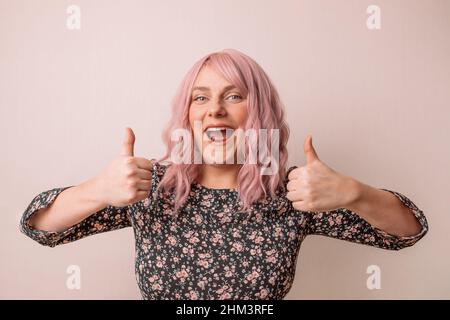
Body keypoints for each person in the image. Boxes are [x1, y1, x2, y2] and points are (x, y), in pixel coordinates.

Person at [20, 49, 428, 300]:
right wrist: (98, 189)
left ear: (260, 112)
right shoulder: (150, 187)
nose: (214, 109)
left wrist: (355, 193)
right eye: (201, 98)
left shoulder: (296, 192)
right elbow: (40, 227)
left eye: (233, 96)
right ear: (189, 115)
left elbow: (407, 232)